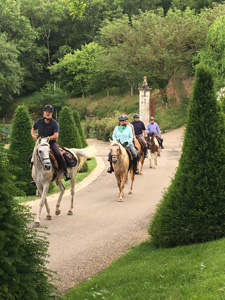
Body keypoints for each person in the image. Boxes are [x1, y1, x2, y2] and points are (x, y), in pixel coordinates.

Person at [30, 104, 71, 182]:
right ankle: (35, 177)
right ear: (44, 112)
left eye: (50, 112)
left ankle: (66, 173)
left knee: (58, 154)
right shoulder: (39, 121)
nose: (48, 113)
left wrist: (47, 138)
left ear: (52, 113)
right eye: (46, 112)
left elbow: (56, 135)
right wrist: (33, 135)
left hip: (51, 143)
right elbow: (33, 129)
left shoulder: (54, 123)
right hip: (41, 143)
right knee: (31, 158)